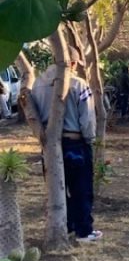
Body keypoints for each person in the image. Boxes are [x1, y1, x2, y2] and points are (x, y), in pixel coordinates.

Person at [31, 47, 102, 242]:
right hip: (75, 143)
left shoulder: (37, 84)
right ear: (73, 63)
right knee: (81, 188)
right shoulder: (78, 84)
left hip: (49, 145)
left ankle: (66, 225)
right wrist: (90, 139)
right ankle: (84, 230)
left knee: (57, 189)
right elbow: (87, 118)